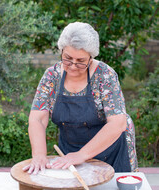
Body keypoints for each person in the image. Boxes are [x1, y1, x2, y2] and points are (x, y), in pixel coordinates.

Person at [23, 22, 138, 175]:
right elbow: (37, 119)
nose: (72, 66)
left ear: (91, 58)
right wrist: (38, 155)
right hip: (70, 153)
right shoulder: (52, 76)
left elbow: (118, 123)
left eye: (81, 62)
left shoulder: (105, 76)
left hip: (110, 150)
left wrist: (82, 155)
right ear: (61, 51)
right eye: (67, 58)